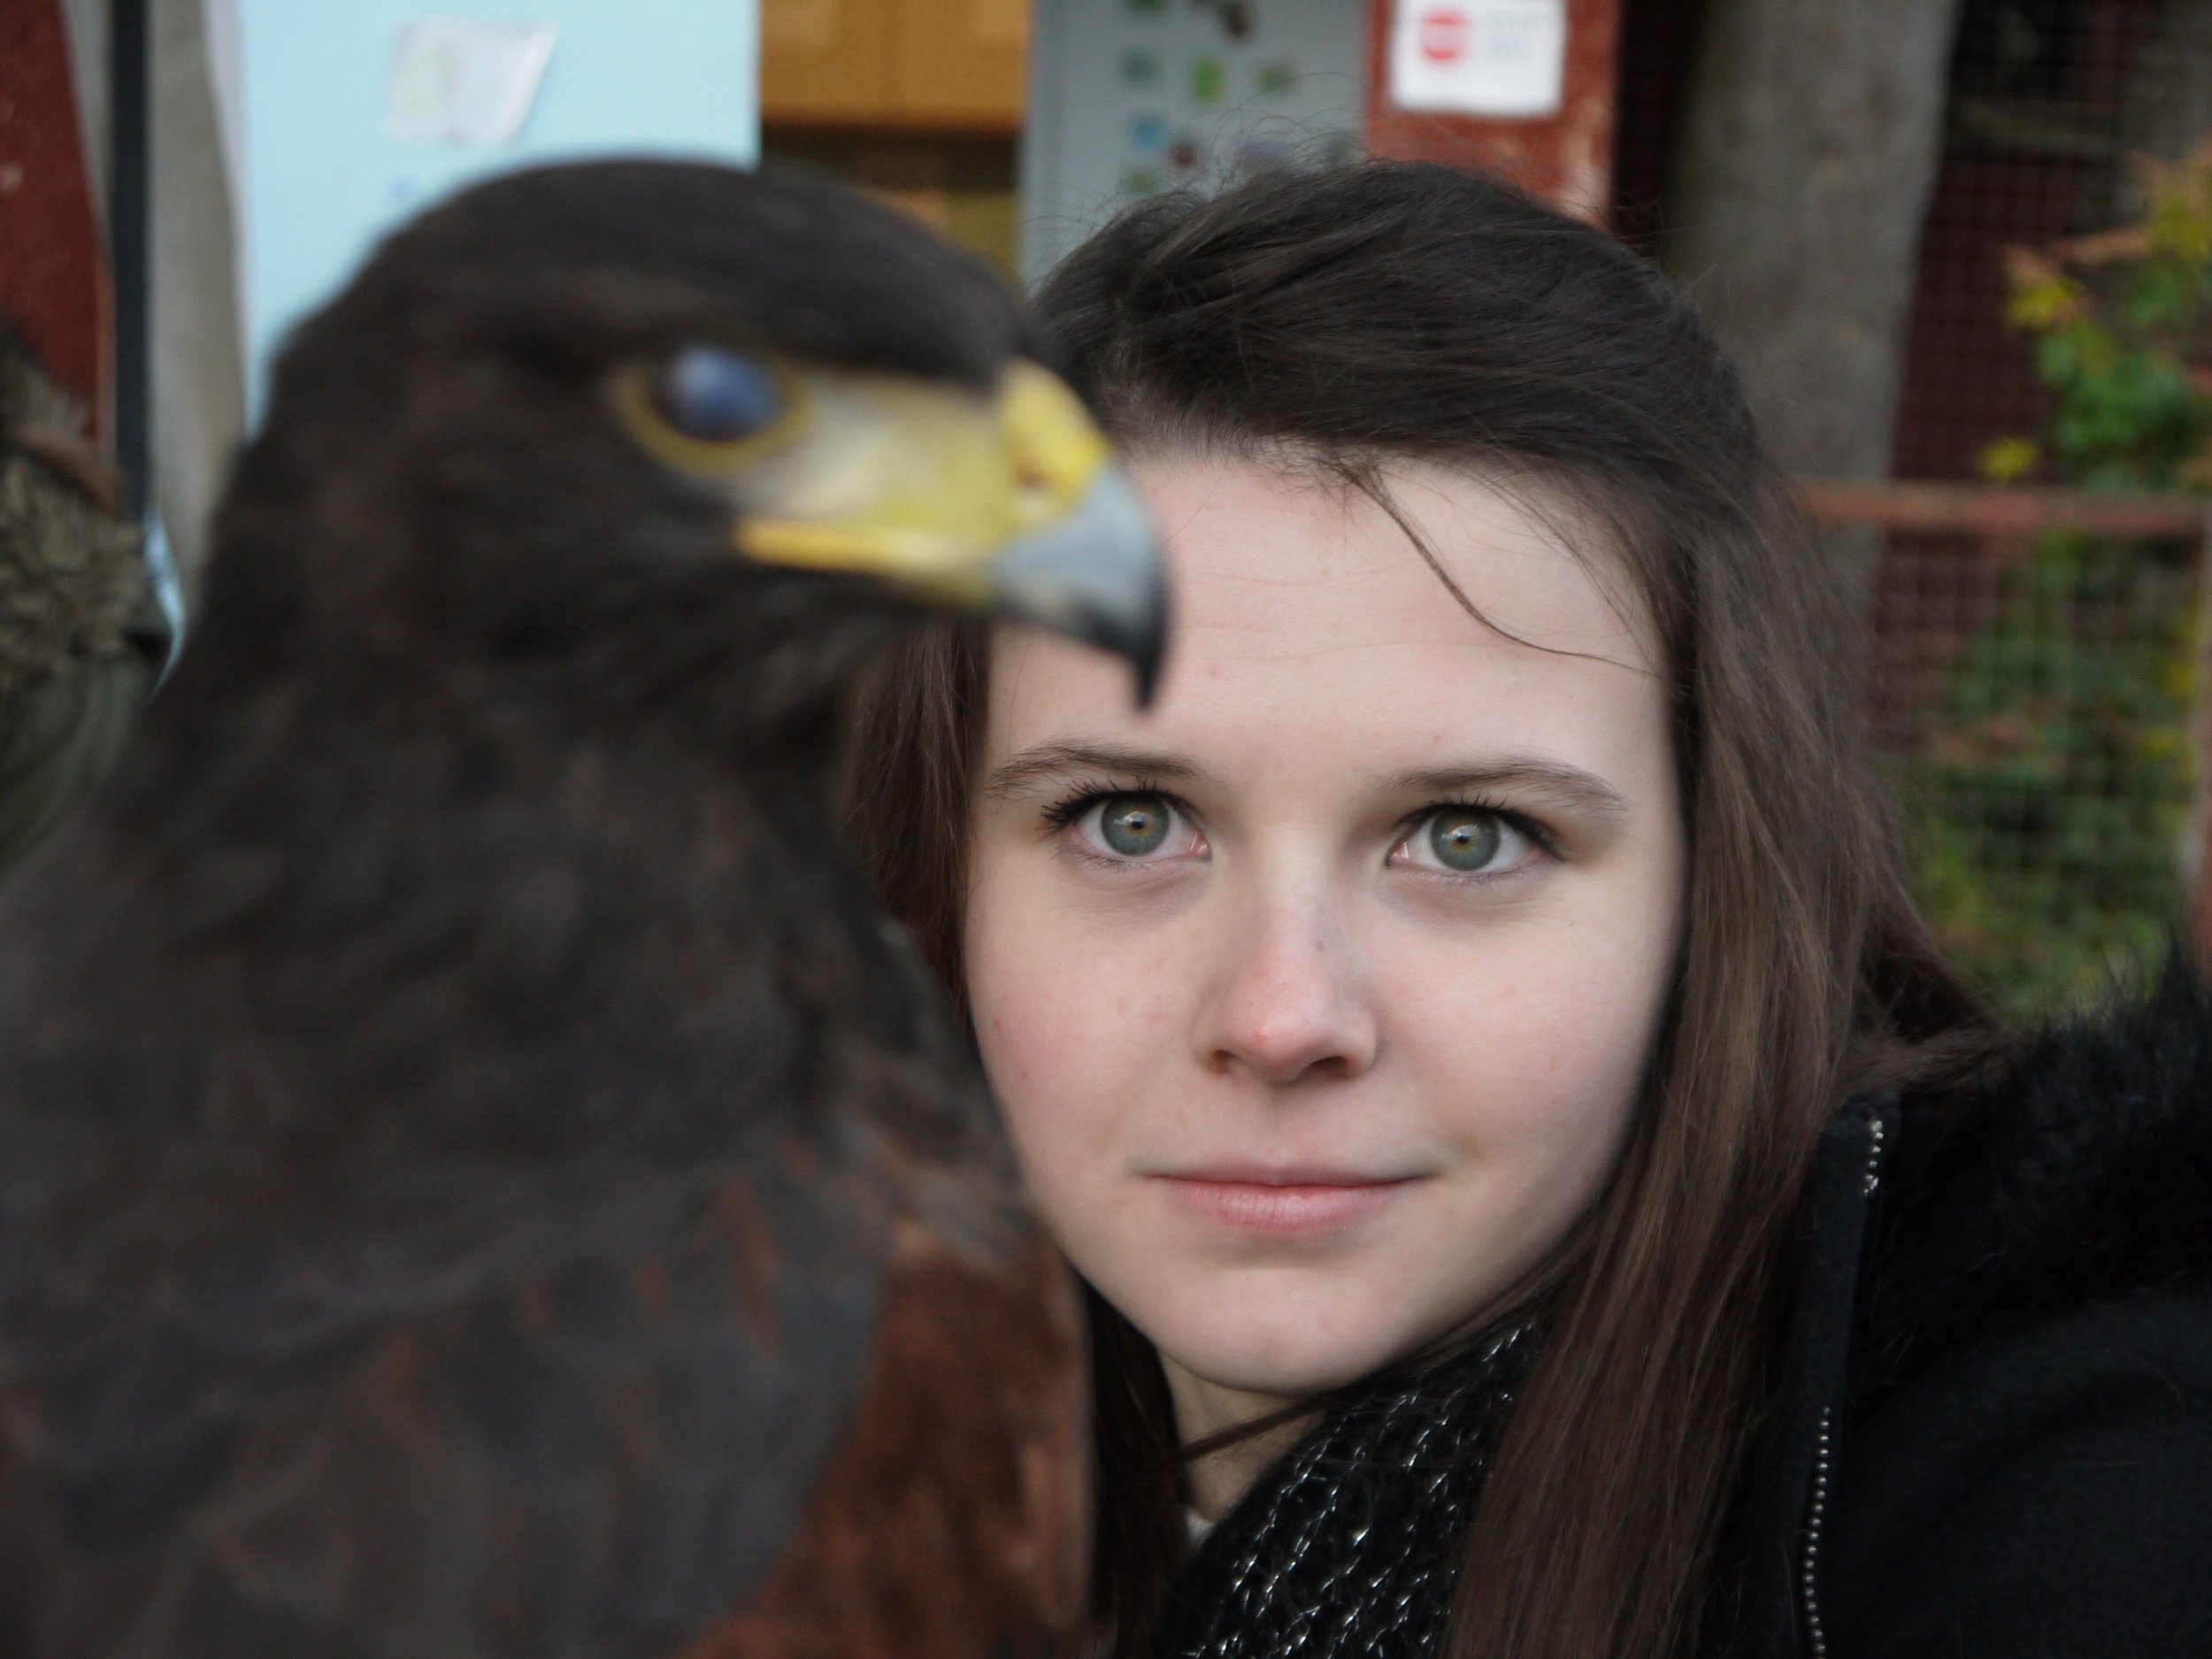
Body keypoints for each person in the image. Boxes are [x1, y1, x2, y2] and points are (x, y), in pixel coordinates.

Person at [842, 163, 2212, 1659]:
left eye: (1467, 837)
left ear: (1709, 897)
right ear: (943, 885)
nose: (1282, 1017)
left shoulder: (2063, 1489)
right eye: (1132, 822)